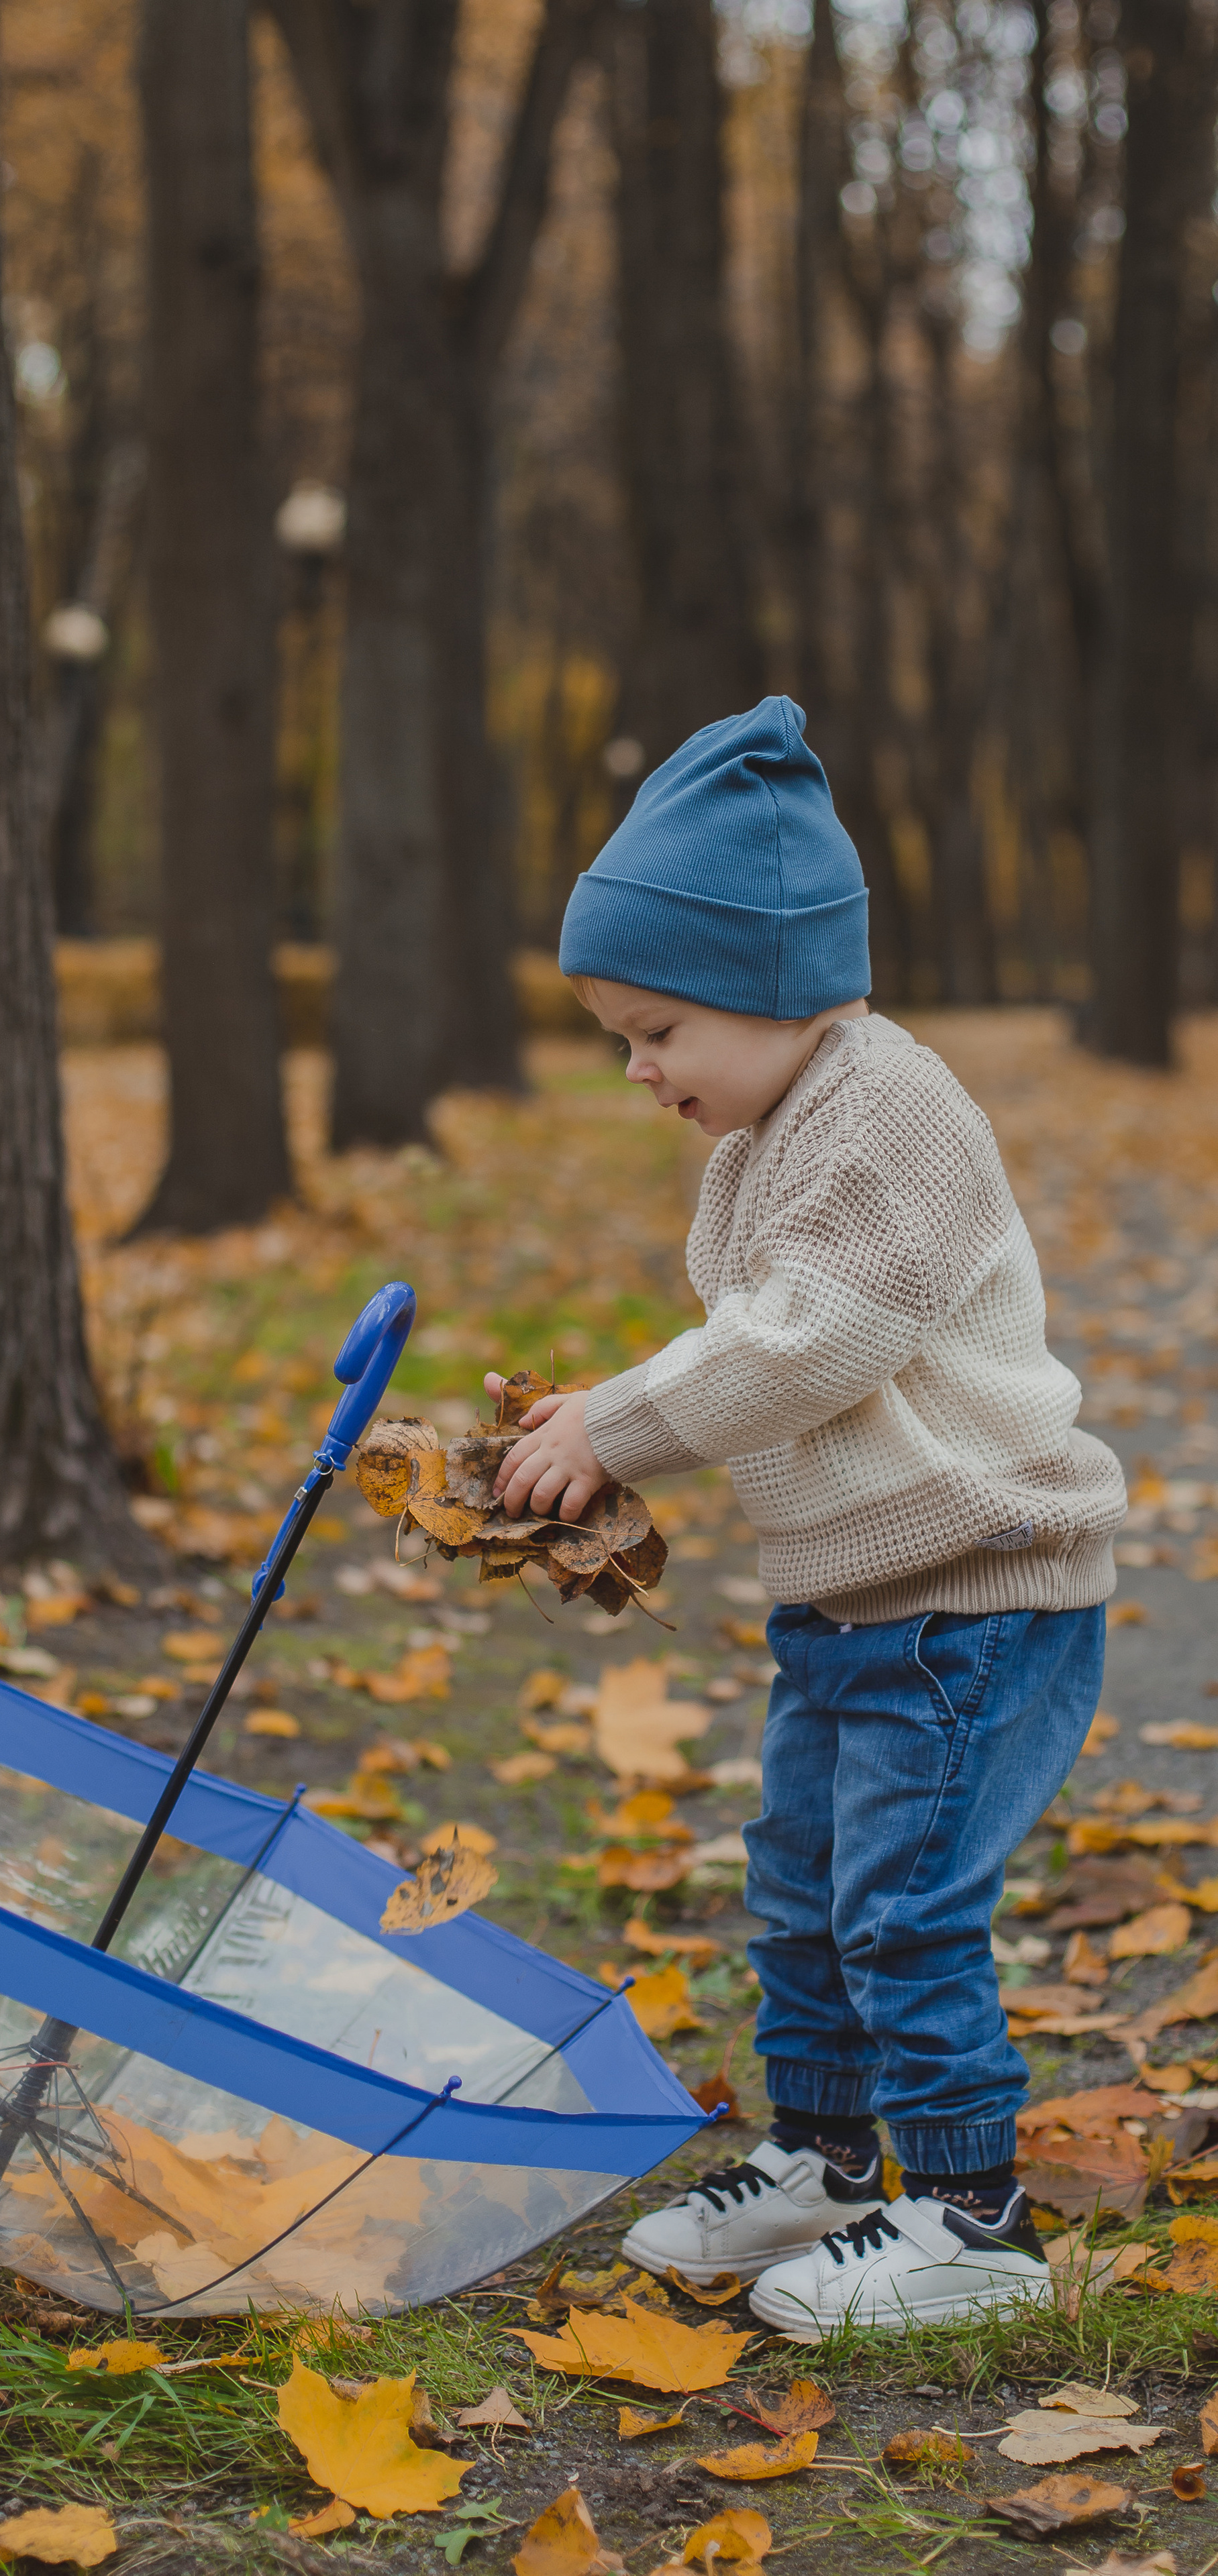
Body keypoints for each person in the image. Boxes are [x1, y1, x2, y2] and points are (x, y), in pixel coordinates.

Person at [487, 696, 1127, 2339]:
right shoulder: (768, 1126)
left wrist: (622, 1420)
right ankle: (833, 2163)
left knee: (899, 1904)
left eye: (654, 1032)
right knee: (799, 1887)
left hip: (974, 1593)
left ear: (768, 988)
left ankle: (971, 2221)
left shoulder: (888, 1112)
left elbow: (814, 1335)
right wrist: (613, 1433)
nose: (636, 1070)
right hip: (856, 1605)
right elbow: (759, 1351)